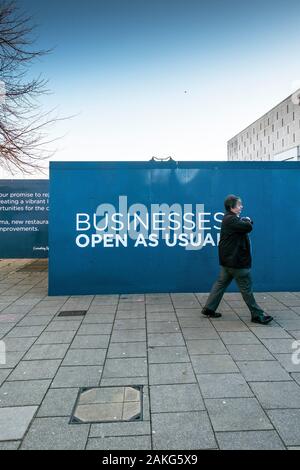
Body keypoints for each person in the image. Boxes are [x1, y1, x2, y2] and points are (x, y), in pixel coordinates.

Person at [201, 194, 273, 325]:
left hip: (227, 262)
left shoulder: (229, 219)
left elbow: (243, 226)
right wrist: (248, 221)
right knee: (246, 288)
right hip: (237, 263)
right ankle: (257, 315)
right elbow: (248, 227)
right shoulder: (232, 220)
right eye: (239, 205)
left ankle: (209, 308)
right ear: (231, 207)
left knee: (220, 284)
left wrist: (245, 221)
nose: (241, 207)